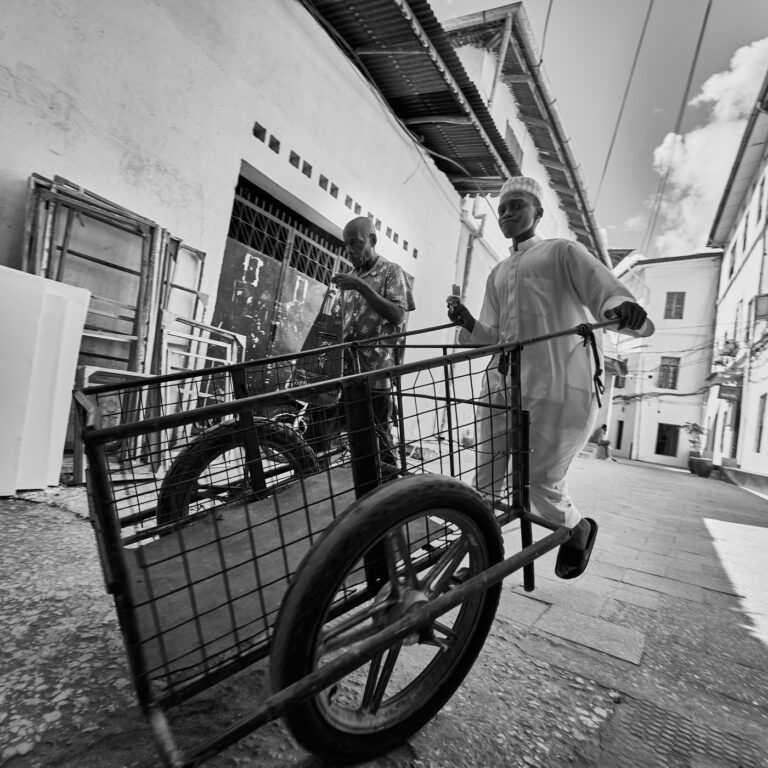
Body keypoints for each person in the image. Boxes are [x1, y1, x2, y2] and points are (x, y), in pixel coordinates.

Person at [447, 176, 654, 579]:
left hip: (557, 384)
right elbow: (491, 335)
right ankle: (477, 557)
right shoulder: (497, 273)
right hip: (501, 383)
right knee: (485, 476)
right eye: (503, 207)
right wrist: (469, 321)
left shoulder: (561, 252)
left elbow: (604, 292)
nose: (507, 214)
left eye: (518, 206)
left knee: (538, 483)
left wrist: (621, 307)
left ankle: (578, 530)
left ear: (538, 212)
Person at [329, 216, 415, 458]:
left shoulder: (391, 272)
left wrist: (360, 286)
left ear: (372, 240)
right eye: (345, 244)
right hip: (346, 372)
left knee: (379, 441)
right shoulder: (350, 278)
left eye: (354, 242)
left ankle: (389, 486)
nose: (349, 250)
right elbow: (341, 322)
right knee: (329, 435)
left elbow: (397, 315)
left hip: (377, 374)